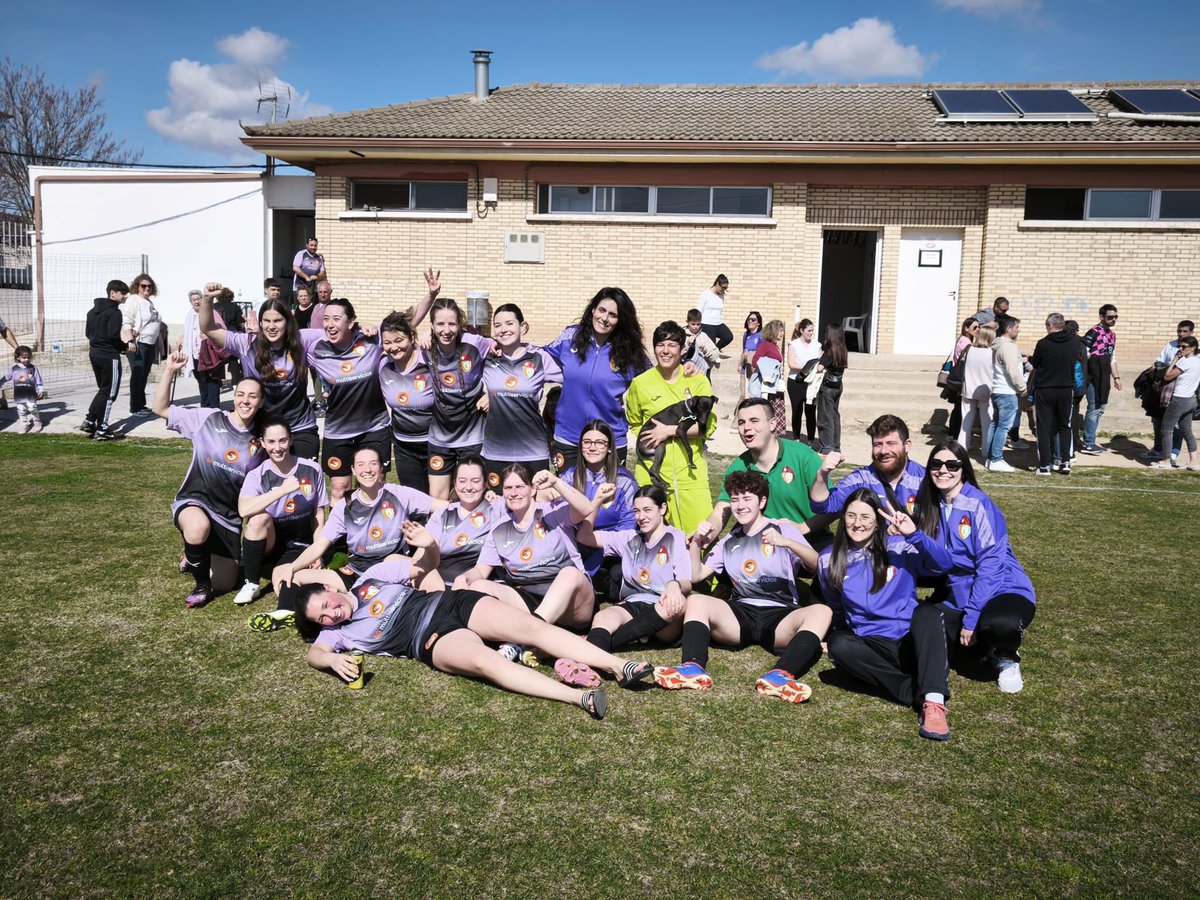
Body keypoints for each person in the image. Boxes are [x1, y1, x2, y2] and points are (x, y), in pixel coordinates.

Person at [295, 550, 655, 720]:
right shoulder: (340, 634)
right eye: (322, 618)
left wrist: (427, 545)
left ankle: (619, 665)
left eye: (326, 604)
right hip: (429, 638)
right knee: (486, 663)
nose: (330, 614)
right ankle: (579, 700)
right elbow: (314, 655)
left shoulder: (371, 578)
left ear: (330, 588)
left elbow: (425, 563)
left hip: (452, 602)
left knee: (533, 627)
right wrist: (330, 658)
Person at [654, 471, 829, 704]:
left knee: (822, 611)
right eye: (735, 499)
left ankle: (780, 676)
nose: (740, 506)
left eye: (747, 499)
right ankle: (692, 668)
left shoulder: (782, 529)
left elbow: (817, 564)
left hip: (780, 615)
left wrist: (788, 543)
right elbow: (697, 575)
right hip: (740, 616)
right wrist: (696, 544)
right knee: (696, 600)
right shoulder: (729, 541)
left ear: (762, 502)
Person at [821, 488, 956, 741]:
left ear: (877, 521)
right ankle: (911, 691)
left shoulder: (900, 546)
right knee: (839, 644)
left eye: (865, 517)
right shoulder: (828, 559)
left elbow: (944, 565)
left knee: (927, 613)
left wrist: (915, 535)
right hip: (872, 647)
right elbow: (836, 607)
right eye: (851, 516)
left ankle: (934, 703)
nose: (857, 524)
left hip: (909, 642)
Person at [914, 441, 1037, 693]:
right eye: (936, 464)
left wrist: (970, 620)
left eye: (952, 464)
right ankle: (984, 646)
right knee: (926, 635)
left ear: (963, 468)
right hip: (960, 594)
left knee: (1000, 625)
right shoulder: (929, 506)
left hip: (1003, 588)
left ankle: (1006, 656)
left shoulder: (978, 504)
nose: (943, 470)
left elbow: (990, 567)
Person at [152, 351, 267, 608]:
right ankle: (201, 585)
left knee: (225, 583)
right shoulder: (208, 418)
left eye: (252, 396)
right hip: (196, 502)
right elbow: (159, 408)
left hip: (227, 516)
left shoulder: (262, 441)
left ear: (260, 402)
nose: (245, 401)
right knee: (197, 528)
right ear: (234, 397)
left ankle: (194, 553)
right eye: (240, 394)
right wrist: (169, 370)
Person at [458, 464, 600, 635]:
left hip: (572, 603)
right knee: (479, 586)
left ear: (533, 490)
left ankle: (528, 637)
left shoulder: (552, 512)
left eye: (519, 487)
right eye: (508, 488)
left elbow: (586, 508)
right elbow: (481, 570)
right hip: (530, 599)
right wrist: (464, 578)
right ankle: (529, 631)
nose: (514, 493)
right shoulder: (499, 529)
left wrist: (555, 482)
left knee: (569, 573)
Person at [279, 446, 444, 588]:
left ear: (381, 467)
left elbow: (442, 507)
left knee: (428, 576)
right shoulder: (344, 507)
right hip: (358, 571)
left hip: (394, 565)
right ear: (353, 470)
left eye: (373, 463)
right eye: (361, 465)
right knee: (297, 577)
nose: (367, 470)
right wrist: (292, 568)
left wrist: (428, 538)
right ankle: (286, 612)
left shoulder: (398, 494)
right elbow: (319, 546)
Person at [200, 285, 320, 460]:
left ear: (287, 321)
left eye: (277, 321)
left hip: (299, 427)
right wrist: (207, 299)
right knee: (261, 484)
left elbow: (338, 332)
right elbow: (208, 328)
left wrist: (362, 327)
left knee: (303, 484)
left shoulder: (302, 340)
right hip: (260, 428)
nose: (271, 326)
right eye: (267, 321)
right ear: (261, 322)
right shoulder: (246, 343)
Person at [693, 398, 828, 549]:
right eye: (741, 422)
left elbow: (833, 507)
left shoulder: (804, 456)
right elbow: (721, 511)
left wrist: (801, 528)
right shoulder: (737, 468)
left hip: (811, 538)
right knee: (727, 565)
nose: (746, 428)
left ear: (772, 424)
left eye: (754, 420)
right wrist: (707, 534)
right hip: (761, 542)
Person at [543, 287, 651, 472]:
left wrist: (687, 367)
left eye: (613, 315)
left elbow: (656, 378)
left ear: (620, 320)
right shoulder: (571, 338)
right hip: (568, 437)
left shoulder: (631, 351)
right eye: (601, 310)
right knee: (569, 498)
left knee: (608, 499)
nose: (604, 318)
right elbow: (535, 358)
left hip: (609, 440)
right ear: (593, 309)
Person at [625, 320, 716, 533]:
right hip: (651, 475)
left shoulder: (697, 381)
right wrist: (652, 440)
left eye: (672, 345)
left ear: (682, 349)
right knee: (651, 542)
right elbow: (635, 423)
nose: (665, 351)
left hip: (690, 476)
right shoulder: (640, 383)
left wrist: (670, 431)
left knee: (699, 538)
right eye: (660, 345)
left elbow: (709, 426)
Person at [237, 416, 329, 621]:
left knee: (285, 579)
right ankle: (251, 583)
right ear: (262, 442)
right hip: (270, 546)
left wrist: (318, 552)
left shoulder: (312, 470)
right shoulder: (257, 474)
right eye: (271, 442)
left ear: (291, 440)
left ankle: (284, 612)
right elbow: (243, 510)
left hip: (300, 545)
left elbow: (318, 515)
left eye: (282, 441)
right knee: (256, 520)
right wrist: (283, 490)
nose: (277, 447)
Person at [579, 484, 691, 652]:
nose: (641, 517)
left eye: (647, 510)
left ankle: (591, 646)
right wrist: (597, 501)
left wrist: (674, 585)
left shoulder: (676, 538)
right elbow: (584, 536)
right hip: (634, 604)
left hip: (662, 608)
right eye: (637, 511)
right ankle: (589, 659)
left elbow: (687, 582)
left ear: (662, 508)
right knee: (602, 617)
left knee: (677, 603)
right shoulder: (630, 538)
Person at [300, 297, 390, 504]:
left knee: (376, 485)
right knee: (340, 489)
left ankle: (375, 535)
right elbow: (284, 333)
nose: (329, 324)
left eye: (336, 319)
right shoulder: (316, 348)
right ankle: (340, 536)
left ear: (350, 322)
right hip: (338, 431)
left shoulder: (371, 339)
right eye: (326, 319)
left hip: (374, 428)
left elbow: (404, 324)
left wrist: (430, 296)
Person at [417, 296, 494, 500]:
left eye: (452, 323)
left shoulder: (476, 343)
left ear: (460, 325)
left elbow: (504, 357)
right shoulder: (424, 349)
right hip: (440, 437)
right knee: (438, 497)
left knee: (472, 496)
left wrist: (492, 393)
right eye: (440, 324)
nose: (446, 329)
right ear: (432, 325)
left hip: (472, 436)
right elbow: (395, 339)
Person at [553, 419, 639, 599]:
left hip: (609, 545)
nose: (592, 447)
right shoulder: (570, 477)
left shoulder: (623, 480)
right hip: (578, 543)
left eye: (599, 442)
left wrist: (602, 545)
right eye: (587, 442)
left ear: (609, 447)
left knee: (617, 573)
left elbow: (629, 525)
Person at [480, 303, 563, 486]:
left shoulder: (540, 358)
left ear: (522, 327)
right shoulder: (488, 356)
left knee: (536, 506)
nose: (503, 330)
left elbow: (574, 378)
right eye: (498, 325)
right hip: (496, 451)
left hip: (533, 450)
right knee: (498, 506)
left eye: (509, 323)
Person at [810, 414, 925, 518]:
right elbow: (823, 506)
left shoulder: (925, 479)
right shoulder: (861, 479)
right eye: (878, 444)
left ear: (907, 445)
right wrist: (822, 474)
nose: (884, 451)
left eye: (891, 443)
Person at [425, 456, 508, 585]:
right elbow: (426, 558)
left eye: (475, 481)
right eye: (462, 481)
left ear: (486, 483)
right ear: (455, 483)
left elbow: (532, 504)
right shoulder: (443, 514)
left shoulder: (497, 507)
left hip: (483, 585)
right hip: (442, 585)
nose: (468, 487)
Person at [378, 310, 435, 493]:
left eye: (399, 340)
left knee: (440, 503)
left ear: (411, 338)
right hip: (404, 448)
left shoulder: (429, 360)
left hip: (435, 444)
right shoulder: (382, 365)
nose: (394, 347)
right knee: (415, 503)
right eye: (387, 342)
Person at [1030, 313, 1083, 475]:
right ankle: (1065, 461)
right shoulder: (1075, 342)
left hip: (1045, 389)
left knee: (1044, 427)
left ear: (1051, 325)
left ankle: (1045, 465)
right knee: (1064, 426)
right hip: (1065, 388)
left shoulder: (1043, 344)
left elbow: (1036, 363)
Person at [82, 279, 129, 441]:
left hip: (94, 353)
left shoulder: (91, 311)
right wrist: (124, 347)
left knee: (103, 389)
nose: (125, 297)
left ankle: (89, 420)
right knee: (110, 392)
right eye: (123, 293)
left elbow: (88, 333)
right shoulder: (115, 312)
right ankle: (102, 428)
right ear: (112, 293)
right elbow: (113, 336)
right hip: (109, 355)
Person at [1143, 320, 1195, 462]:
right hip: (1165, 389)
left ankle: (1173, 452)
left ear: (1191, 332)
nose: (1181, 334)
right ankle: (1158, 448)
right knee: (1158, 419)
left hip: (1183, 391)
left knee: (1177, 424)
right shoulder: (1171, 345)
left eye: (1184, 331)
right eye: (1179, 331)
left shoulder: (1194, 351)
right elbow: (1159, 363)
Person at [984, 315, 1026, 473]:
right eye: (1016, 327)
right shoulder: (1007, 347)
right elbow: (1012, 371)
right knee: (1003, 427)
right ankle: (996, 458)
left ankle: (990, 457)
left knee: (995, 424)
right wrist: (1022, 388)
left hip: (998, 390)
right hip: (1007, 391)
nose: (1018, 330)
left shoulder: (999, 345)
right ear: (1008, 329)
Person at [1080, 304, 1122, 455]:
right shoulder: (1093, 332)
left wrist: (1116, 377)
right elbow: (1084, 354)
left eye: (1115, 317)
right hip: (1093, 376)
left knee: (1100, 408)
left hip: (1104, 376)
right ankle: (1088, 443)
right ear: (1101, 316)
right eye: (1110, 317)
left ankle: (1091, 440)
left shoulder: (1112, 335)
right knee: (1094, 407)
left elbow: (1112, 357)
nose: (1113, 319)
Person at [1156, 335, 1199, 471]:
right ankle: (1193, 462)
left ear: (1193, 348)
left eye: (1184, 347)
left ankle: (1166, 460)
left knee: (1166, 429)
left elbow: (1167, 376)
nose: (1181, 349)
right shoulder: (1198, 361)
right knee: (1187, 431)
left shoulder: (1185, 362)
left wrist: (1175, 359)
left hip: (1179, 399)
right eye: (1180, 346)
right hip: (1191, 400)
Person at [121, 273, 162, 418]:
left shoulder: (149, 302)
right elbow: (127, 321)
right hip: (139, 343)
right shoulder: (134, 300)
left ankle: (140, 404)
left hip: (150, 343)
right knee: (138, 375)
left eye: (149, 286)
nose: (147, 288)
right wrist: (130, 341)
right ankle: (135, 407)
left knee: (144, 375)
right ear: (137, 286)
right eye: (143, 286)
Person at [957, 323, 995, 453]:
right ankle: (986, 450)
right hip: (986, 389)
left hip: (968, 388)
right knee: (987, 421)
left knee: (966, 421)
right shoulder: (992, 353)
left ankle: (961, 448)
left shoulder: (969, 350)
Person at [813, 323, 849, 455]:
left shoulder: (829, 351)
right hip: (838, 384)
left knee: (825, 416)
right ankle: (836, 445)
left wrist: (819, 357)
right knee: (834, 415)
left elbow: (819, 368)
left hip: (827, 386)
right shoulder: (842, 349)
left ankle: (826, 447)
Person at [750, 319, 787, 435]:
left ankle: (776, 435)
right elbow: (755, 361)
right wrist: (769, 367)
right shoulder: (765, 345)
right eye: (780, 330)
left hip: (776, 384)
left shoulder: (775, 346)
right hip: (768, 384)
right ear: (774, 331)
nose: (782, 333)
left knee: (777, 409)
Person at [786, 318, 820, 443]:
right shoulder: (794, 344)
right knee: (797, 410)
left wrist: (813, 368)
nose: (811, 333)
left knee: (810, 411)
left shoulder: (817, 345)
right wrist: (808, 367)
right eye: (809, 330)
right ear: (801, 330)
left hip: (811, 382)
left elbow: (819, 363)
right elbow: (791, 364)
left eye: (812, 330)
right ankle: (796, 438)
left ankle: (810, 439)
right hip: (796, 381)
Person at [946, 317, 979, 437]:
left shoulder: (962, 339)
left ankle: (952, 434)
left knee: (958, 408)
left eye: (978, 327)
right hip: (962, 379)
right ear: (966, 328)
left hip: (960, 378)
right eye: (974, 327)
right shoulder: (966, 342)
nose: (977, 329)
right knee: (960, 409)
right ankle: (955, 436)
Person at [2, 345, 45, 433]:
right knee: (21, 410)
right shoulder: (14, 368)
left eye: (28, 357)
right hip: (19, 394)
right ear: (18, 357)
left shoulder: (33, 368)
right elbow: (7, 377)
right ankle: (24, 424)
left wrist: (40, 389)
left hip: (30, 393)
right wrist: (0, 382)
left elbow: (38, 379)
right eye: (24, 357)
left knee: (33, 408)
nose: (26, 359)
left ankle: (37, 422)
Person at [698, 274, 734, 350]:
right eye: (723, 287)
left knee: (728, 336)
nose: (723, 290)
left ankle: (716, 350)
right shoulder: (706, 294)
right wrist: (697, 324)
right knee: (710, 346)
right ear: (717, 283)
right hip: (707, 324)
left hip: (718, 323)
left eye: (725, 288)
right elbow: (699, 310)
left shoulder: (721, 295)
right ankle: (712, 355)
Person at [683, 308, 720, 377]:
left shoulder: (703, 336)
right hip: (684, 373)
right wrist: (687, 344)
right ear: (687, 322)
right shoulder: (682, 335)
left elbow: (715, 355)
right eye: (693, 324)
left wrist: (705, 350)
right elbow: (676, 354)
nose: (695, 327)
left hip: (701, 374)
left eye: (698, 324)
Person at [739, 311, 764, 402]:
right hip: (745, 366)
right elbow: (743, 349)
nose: (750, 321)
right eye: (748, 319)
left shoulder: (761, 336)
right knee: (743, 392)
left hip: (754, 367)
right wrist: (739, 364)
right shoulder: (746, 335)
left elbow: (760, 352)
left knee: (753, 393)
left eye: (753, 320)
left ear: (758, 323)